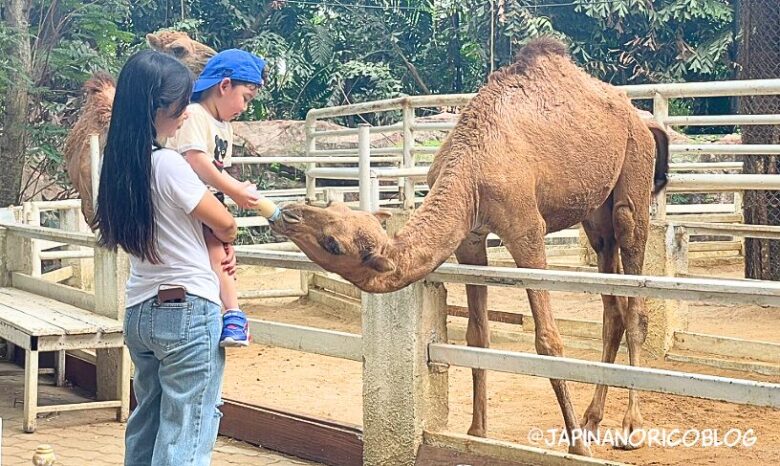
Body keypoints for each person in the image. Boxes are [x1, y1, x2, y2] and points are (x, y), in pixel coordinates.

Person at [94, 49, 237, 465]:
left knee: (149, 421)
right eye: (180, 105)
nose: (184, 115)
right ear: (157, 107)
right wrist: (225, 235)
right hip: (187, 310)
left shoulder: (115, 168)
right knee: (188, 429)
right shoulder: (169, 165)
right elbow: (225, 222)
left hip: (140, 312)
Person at [167, 49, 270, 347]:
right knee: (215, 253)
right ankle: (233, 313)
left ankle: (232, 314)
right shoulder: (195, 115)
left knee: (221, 256)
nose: (246, 107)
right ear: (224, 86)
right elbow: (197, 161)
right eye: (246, 98)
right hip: (190, 196)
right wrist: (235, 189)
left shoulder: (225, 125)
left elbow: (216, 167)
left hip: (210, 199)